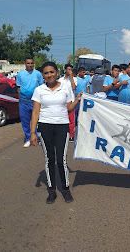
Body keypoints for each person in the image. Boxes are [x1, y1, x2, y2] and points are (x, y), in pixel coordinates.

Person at [30, 62, 81, 204]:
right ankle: (52, 190)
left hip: (62, 127)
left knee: (61, 159)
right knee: (49, 159)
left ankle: (65, 189)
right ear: (43, 76)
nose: (49, 75)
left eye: (51, 72)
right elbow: (35, 112)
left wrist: (76, 100)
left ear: (57, 72)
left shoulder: (66, 88)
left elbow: (69, 108)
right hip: (45, 127)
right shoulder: (39, 90)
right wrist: (32, 132)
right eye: (46, 73)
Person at [16, 57, 44, 148]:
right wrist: (20, 100)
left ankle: (39, 139)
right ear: (25, 64)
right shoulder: (20, 74)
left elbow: (41, 87)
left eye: (32, 63)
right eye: (28, 63)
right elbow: (19, 88)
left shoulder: (38, 74)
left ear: (34, 64)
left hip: (35, 101)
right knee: (25, 121)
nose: (30, 65)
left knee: (38, 121)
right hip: (24, 102)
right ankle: (28, 139)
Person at [58, 64, 77, 142]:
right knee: (62, 119)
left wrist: (71, 77)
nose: (69, 71)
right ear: (65, 70)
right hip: (62, 102)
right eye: (68, 69)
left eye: (71, 70)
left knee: (71, 120)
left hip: (71, 101)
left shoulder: (74, 79)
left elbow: (74, 87)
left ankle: (71, 135)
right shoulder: (60, 80)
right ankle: (62, 134)